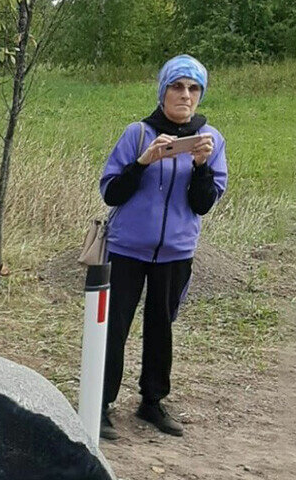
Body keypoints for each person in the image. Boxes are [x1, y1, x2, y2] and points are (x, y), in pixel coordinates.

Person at [98, 54, 227, 439]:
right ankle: (100, 404)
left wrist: (202, 165)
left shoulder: (211, 140)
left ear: (200, 94)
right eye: (177, 86)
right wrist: (143, 160)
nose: (185, 95)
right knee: (114, 328)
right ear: (162, 91)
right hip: (126, 250)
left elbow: (203, 204)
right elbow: (111, 191)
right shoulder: (137, 133)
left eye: (193, 88)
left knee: (161, 328)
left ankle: (151, 403)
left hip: (175, 253)